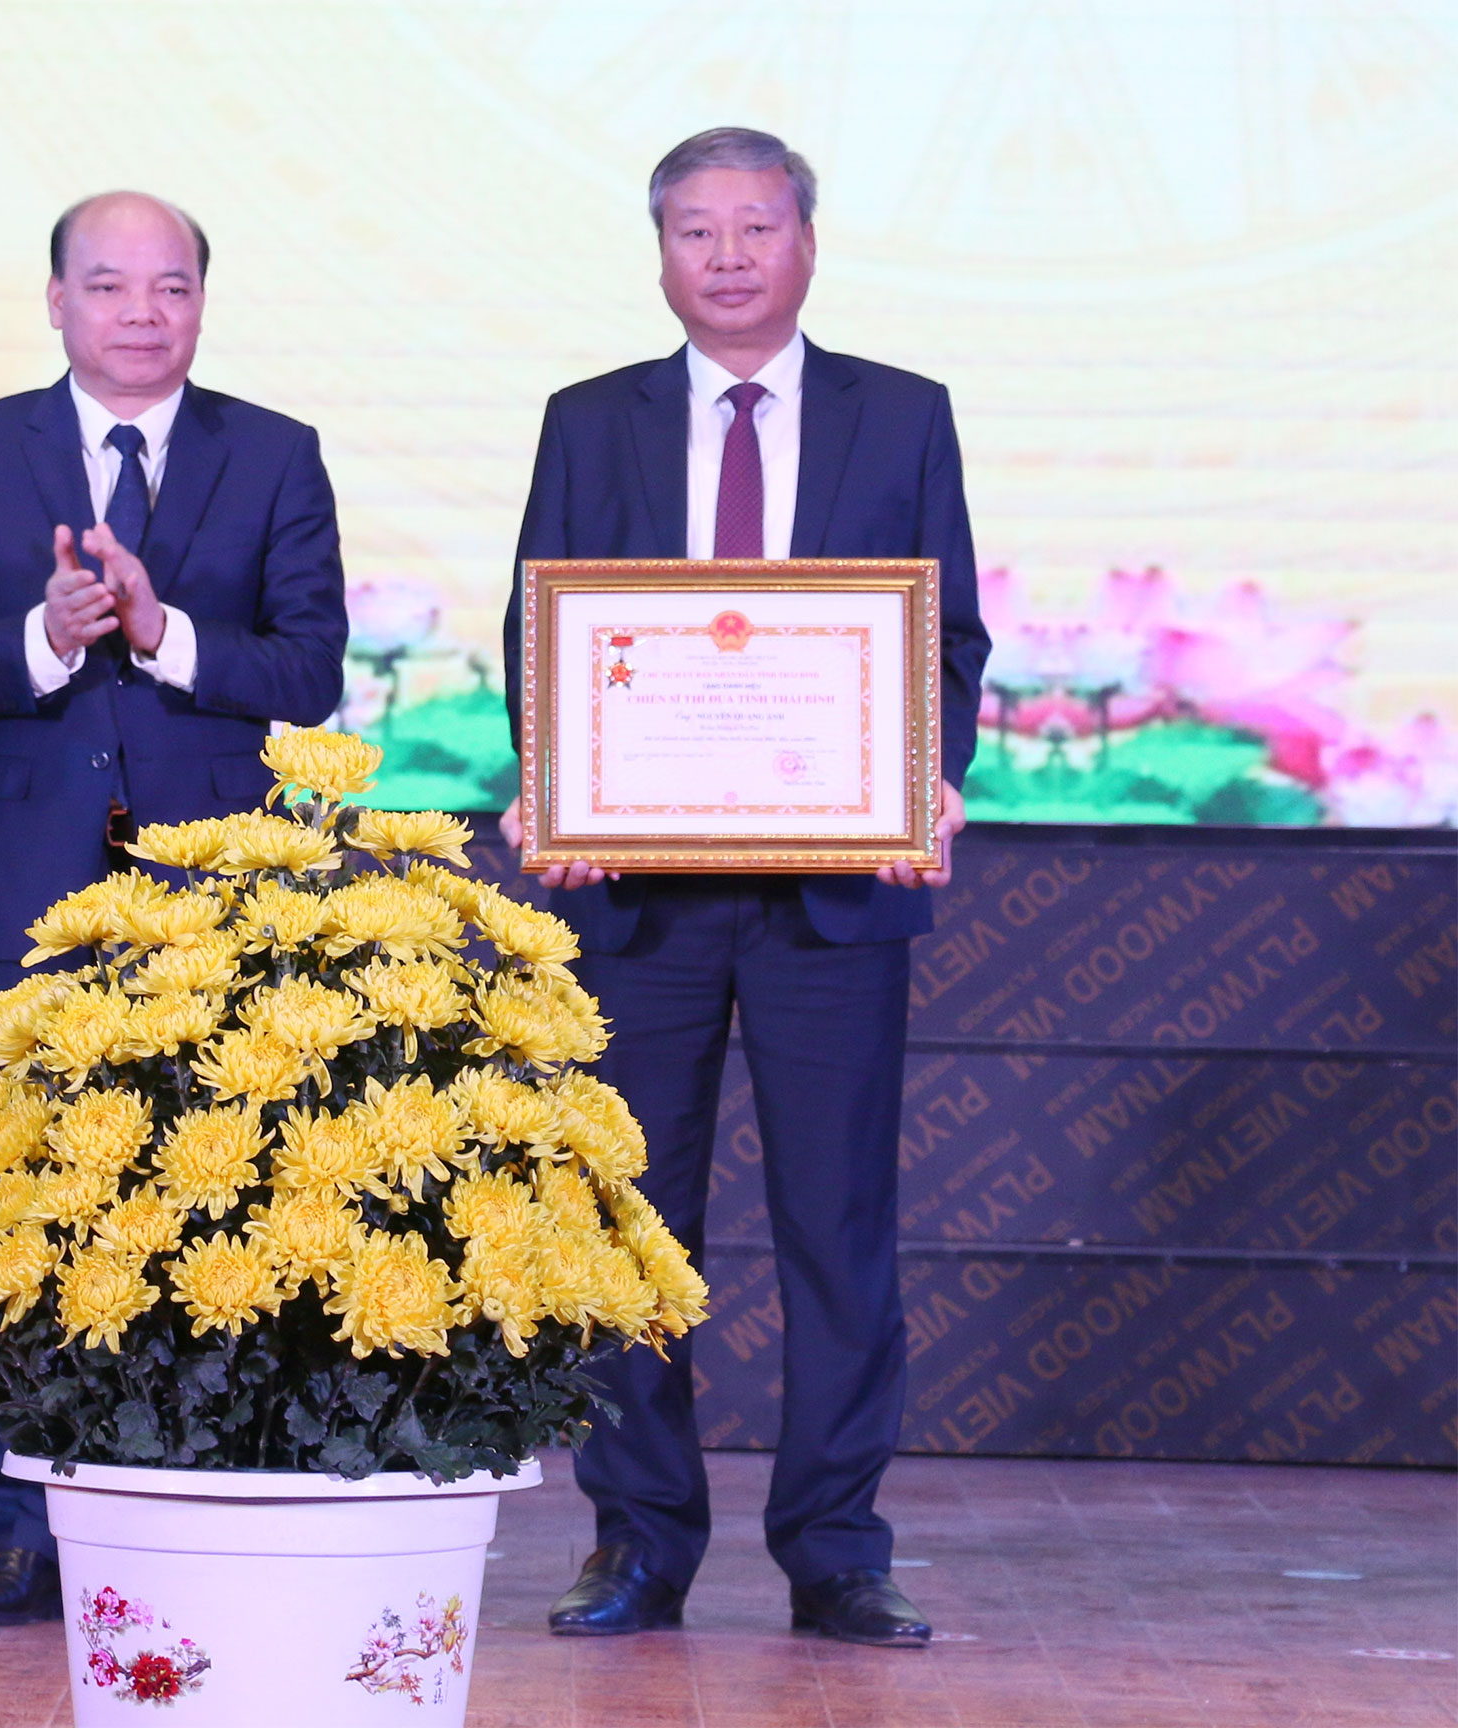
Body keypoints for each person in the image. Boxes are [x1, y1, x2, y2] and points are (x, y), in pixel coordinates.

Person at [498, 128, 990, 1649]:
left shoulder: (902, 413)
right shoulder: (591, 420)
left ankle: (837, 1551)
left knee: (839, 1229)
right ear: (661, 252)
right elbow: (539, 627)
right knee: (630, 1226)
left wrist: (924, 774)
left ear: (806, 243)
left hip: (832, 896)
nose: (727, 256)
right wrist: (555, 785)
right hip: (635, 896)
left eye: (756, 227)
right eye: (696, 230)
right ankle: (637, 1542)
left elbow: (947, 637)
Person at [0, 190, 349, 1625]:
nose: (142, 312)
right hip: (28, 891)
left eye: (171, 287)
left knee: (211, 1197)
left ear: (203, 300)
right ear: (56, 301)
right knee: (25, 1204)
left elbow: (311, 671)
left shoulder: (275, 452)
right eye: (108, 285)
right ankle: (23, 1531)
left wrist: (161, 632)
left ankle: (192, 1511)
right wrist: (43, 639)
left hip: (217, 893)